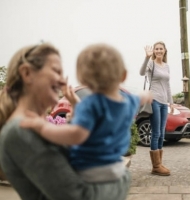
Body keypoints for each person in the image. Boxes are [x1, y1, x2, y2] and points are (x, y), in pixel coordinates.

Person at [0, 43, 145, 200]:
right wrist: (123, 178)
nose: (63, 82)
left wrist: (78, 111)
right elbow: (78, 196)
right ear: (27, 73)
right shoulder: (20, 130)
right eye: (57, 71)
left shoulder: (30, 127)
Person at [139, 41, 174, 176]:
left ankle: (159, 163)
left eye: (161, 49)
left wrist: (171, 102)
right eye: (156, 49)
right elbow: (141, 73)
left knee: (162, 134)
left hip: (164, 103)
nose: (159, 51)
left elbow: (168, 85)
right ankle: (156, 166)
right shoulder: (151, 63)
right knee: (156, 133)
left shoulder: (166, 66)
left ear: (165, 51)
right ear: (154, 51)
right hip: (154, 100)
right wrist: (147, 57)